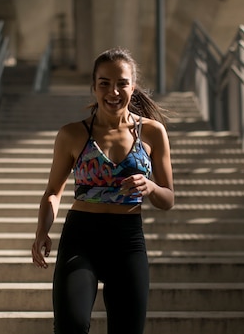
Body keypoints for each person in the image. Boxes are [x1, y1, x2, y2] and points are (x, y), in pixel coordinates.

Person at [31, 47, 175, 334]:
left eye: (122, 83)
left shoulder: (152, 132)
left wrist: (149, 186)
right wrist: (41, 232)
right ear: (94, 87)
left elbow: (168, 198)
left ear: (132, 86)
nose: (114, 91)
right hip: (81, 237)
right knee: (71, 326)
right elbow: (53, 191)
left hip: (128, 239)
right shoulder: (72, 134)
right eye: (104, 83)